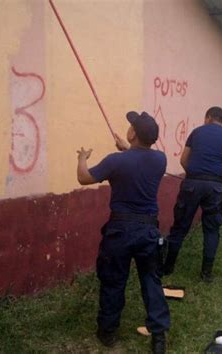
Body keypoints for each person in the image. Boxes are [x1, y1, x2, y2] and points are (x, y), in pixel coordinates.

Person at [77, 111, 170, 354]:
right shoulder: (160, 159)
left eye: (131, 126)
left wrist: (82, 158)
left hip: (120, 231)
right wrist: (126, 150)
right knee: (151, 280)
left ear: (133, 134)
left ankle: (108, 332)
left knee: (113, 280)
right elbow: (137, 161)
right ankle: (158, 335)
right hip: (148, 230)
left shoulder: (115, 161)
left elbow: (84, 178)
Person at [161, 106, 222, 282]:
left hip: (192, 185)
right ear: (221, 120)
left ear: (208, 117)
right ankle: (206, 274)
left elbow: (183, 160)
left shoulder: (196, 133)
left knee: (180, 226)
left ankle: (168, 267)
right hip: (215, 188)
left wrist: (193, 177)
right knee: (211, 230)